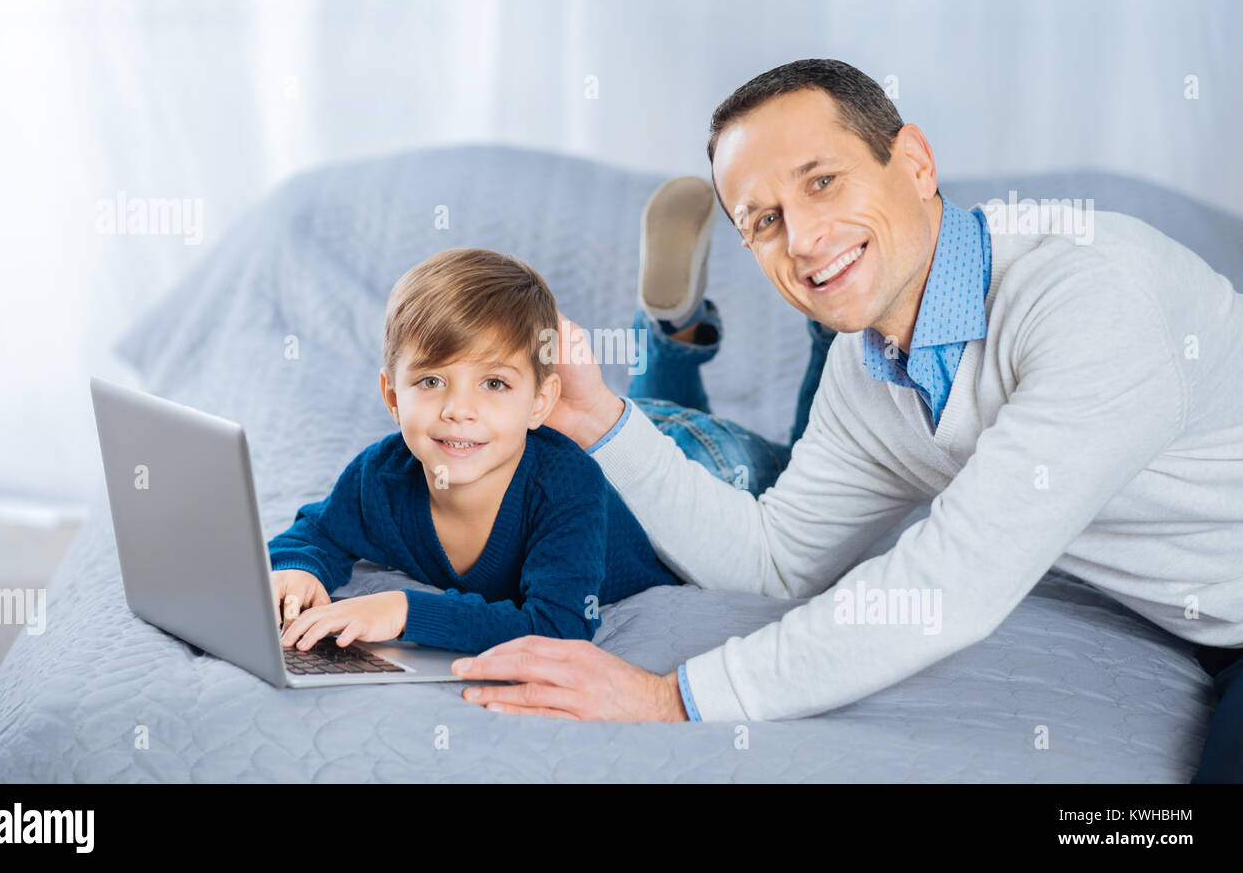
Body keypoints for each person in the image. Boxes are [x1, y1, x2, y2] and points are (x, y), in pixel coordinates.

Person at [449, 58, 1243, 783]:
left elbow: (954, 586)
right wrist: (597, 418)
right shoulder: (865, 365)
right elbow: (777, 560)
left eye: (822, 181)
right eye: (762, 220)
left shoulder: (1095, 301)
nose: (801, 239)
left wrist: (674, 698)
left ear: (917, 163)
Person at [269, 247, 679, 657]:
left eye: (494, 384)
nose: (459, 411)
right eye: (431, 381)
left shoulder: (567, 485)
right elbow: (317, 532)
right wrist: (297, 569)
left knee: (680, 421)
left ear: (540, 402)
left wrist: (404, 610)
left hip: (681, 455)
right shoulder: (381, 476)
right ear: (392, 397)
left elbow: (560, 627)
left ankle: (673, 333)